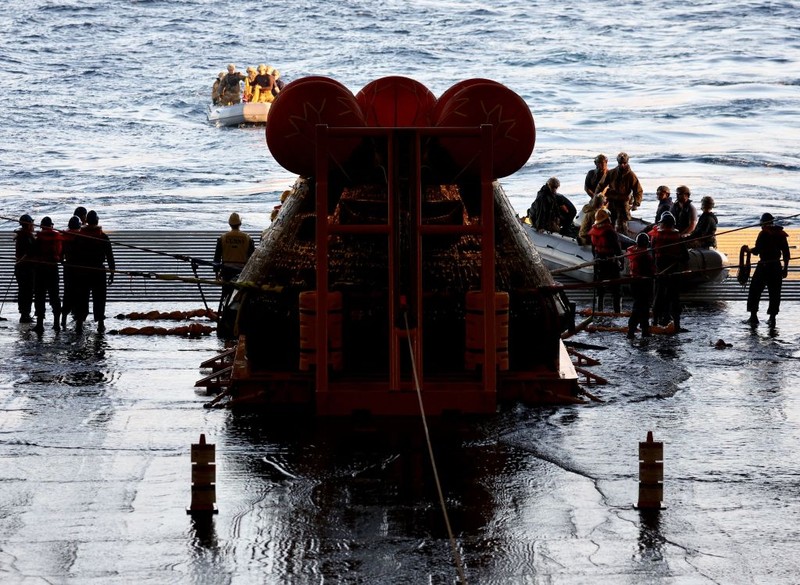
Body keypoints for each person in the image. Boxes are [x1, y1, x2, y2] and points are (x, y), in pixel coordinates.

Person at [72, 210, 115, 333]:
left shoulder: (80, 236)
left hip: (83, 270)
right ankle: (100, 324)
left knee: (82, 297)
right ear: (97, 221)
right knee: (100, 298)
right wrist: (112, 272)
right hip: (98, 271)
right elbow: (110, 257)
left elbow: (74, 255)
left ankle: (79, 323)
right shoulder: (103, 236)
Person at [744, 212, 790, 327]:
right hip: (776, 266)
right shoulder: (781, 234)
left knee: (755, 290)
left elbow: (758, 250)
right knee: (775, 293)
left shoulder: (763, 234)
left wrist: (749, 250)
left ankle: (753, 317)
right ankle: (772, 318)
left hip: (764, 266)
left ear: (763, 223)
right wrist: (785, 268)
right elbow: (786, 253)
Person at [651, 212, 689, 331]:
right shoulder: (678, 237)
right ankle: (676, 324)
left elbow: (652, 254)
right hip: (673, 273)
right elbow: (685, 257)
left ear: (662, 224)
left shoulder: (656, 237)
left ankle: (655, 322)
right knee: (674, 297)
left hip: (660, 273)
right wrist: (677, 258)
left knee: (658, 296)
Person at [214, 212, 255, 302]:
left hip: (226, 271)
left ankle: (225, 311)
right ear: (240, 223)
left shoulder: (223, 238)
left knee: (226, 294)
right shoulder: (248, 238)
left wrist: (216, 273)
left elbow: (217, 257)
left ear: (229, 224)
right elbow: (252, 257)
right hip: (242, 271)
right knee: (240, 295)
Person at [588, 208, 622, 313]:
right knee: (616, 287)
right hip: (610, 261)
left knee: (600, 286)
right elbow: (617, 249)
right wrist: (621, 262)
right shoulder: (610, 232)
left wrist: (596, 258)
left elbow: (593, 249)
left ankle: (599, 310)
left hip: (598, 260)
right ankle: (617, 311)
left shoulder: (594, 231)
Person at [32, 217, 62, 333]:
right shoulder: (57, 238)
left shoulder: (38, 239)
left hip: (40, 271)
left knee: (40, 297)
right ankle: (56, 324)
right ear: (51, 226)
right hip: (53, 270)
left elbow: (31, 252)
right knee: (55, 297)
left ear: (41, 226)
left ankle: (40, 324)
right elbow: (60, 253)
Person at [604, 152, 643, 234]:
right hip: (612, 201)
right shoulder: (611, 173)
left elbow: (638, 190)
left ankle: (623, 242)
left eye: (624, 163)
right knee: (609, 222)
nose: (622, 165)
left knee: (622, 225)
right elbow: (601, 186)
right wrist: (599, 198)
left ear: (627, 162)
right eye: (620, 163)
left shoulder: (631, 175)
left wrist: (636, 203)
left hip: (623, 202)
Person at [625, 232, 655, 339]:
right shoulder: (645, 257)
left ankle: (639, 330)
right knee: (642, 307)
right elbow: (650, 272)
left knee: (638, 306)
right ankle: (635, 331)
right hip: (643, 284)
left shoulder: (634, 253)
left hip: (634, 283)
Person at [60, 215, 83, 329]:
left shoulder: (65, 237)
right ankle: (79, 321)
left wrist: (63, 262)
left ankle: (63, 319)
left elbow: (60, 256)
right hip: (79, 270)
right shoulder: (81, 237)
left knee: (67, 293)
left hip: (68, 269)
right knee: (80, 294)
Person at [13, 214, 36, 323]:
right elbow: (30, 252)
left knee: (23, 291)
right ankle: (25, 314)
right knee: (27, 291)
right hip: (26, 268)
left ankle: (24, 313)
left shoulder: (21, 235)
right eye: (32, 223)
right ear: (28, 225)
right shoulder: (27, 237)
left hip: (19, 268)